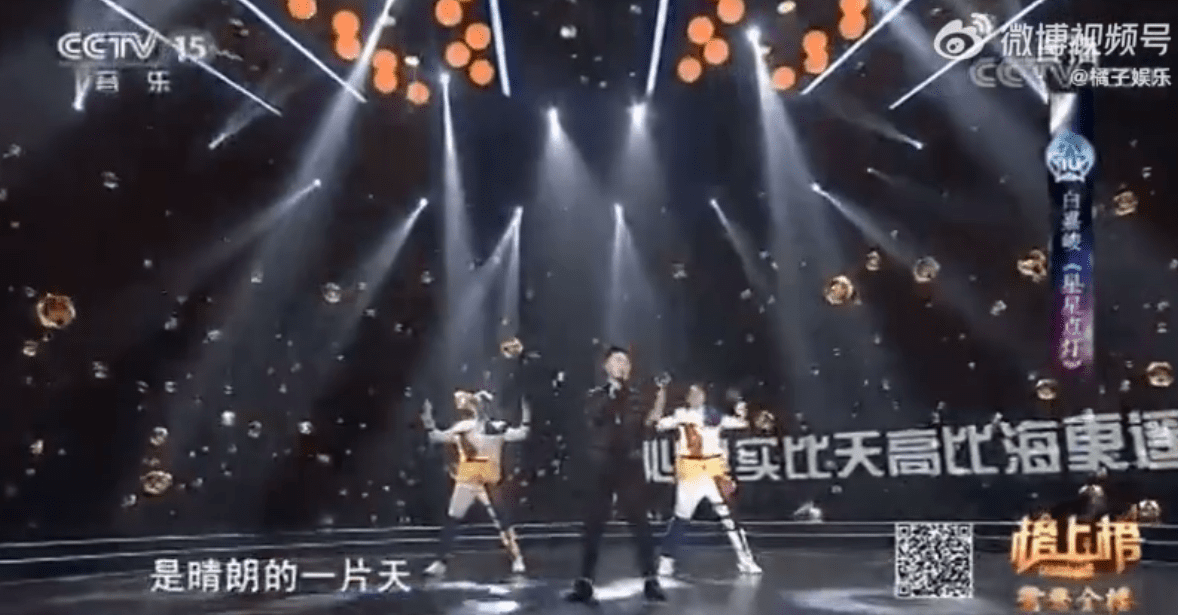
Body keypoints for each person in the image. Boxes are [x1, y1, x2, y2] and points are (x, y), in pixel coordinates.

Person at [565, 346, 667, 604]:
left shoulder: (637, 398)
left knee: (640, 524)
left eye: (626, 362)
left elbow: (648, 425)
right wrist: (615, 396)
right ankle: (585, 582)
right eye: (618, 361)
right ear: (606, 366)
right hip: (601, 465)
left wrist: (659, 398)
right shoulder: (594, 396)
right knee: (593, 524)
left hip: (630, 465)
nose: (623, 365)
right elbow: (594, 419)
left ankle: (651, 580)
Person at [655, 383, 761, 576]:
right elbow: (659, 424)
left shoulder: (715, 415)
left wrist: (742, 414)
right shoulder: (680, 415)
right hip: (690, 472)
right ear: (687, 398)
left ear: (704, 396)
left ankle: (745, 560)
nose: (696, 397)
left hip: (715, 472)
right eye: (692, 394)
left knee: (730, 518)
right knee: (681, 519)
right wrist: (660, 400)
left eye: (699, 393)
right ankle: (666, 561)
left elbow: (740, 424)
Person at [421, 389, 529, 576]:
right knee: (453, 520)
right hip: (467, 481)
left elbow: (522, 434)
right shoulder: (463, 427)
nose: (482, 407)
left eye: (485, 404)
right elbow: (437, 437)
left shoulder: (499, 427)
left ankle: (517, 558)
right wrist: (428, 419)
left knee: (501, 520)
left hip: (489, 481)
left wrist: (526, 413)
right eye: (479, 403)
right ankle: (440, 562)